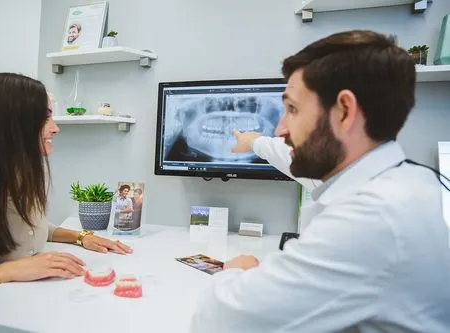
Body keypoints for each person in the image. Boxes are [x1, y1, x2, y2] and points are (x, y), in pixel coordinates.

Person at [191, 30, 450, 333]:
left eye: (293, 109)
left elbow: (218, 322)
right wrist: (254, 143)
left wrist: (235, 272)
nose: (280, 129)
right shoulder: (409, 183)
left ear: (344, 111)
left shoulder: (371, 217)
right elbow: (284, 154)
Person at [0, 73, 132, 333]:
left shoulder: (25, 176)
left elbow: (33, 225)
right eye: (45, 117)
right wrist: (3, 273)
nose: (55, 128)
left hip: (23, 316)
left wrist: (82, 237)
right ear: (11, 124)